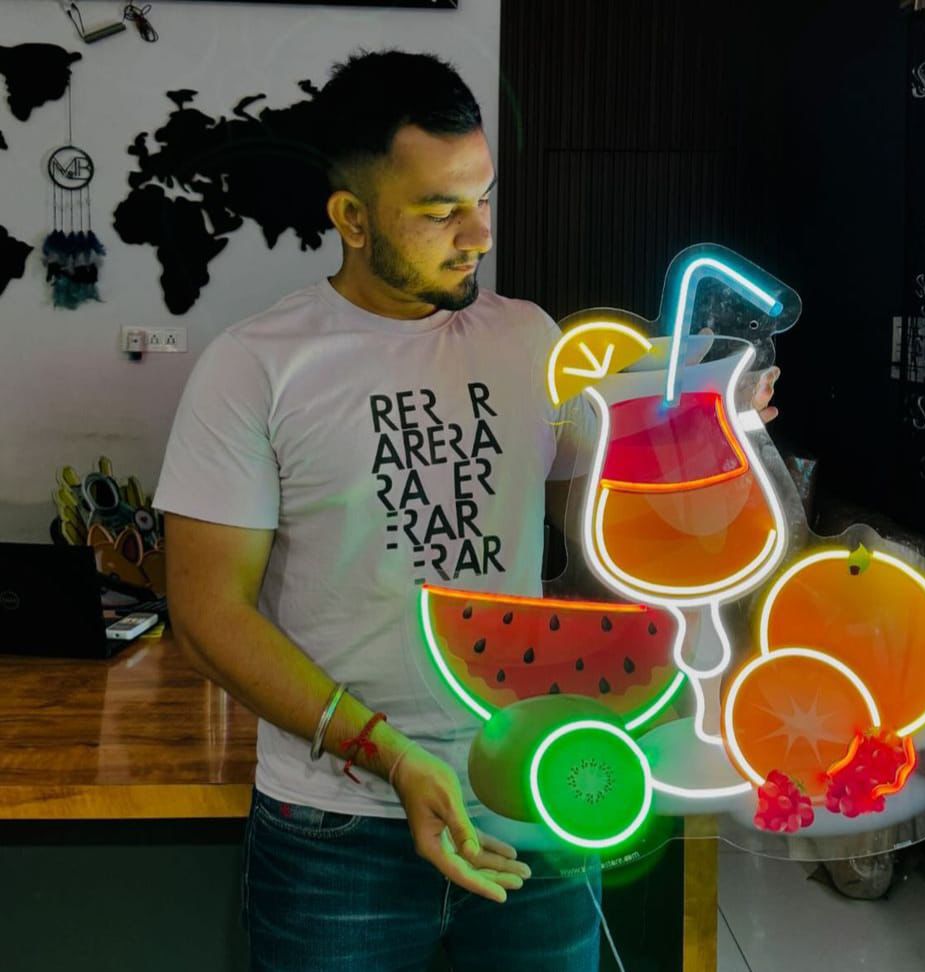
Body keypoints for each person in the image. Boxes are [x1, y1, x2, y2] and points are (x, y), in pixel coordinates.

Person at [154, 49, 779, 972]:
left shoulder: (531, 340)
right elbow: (208, 615)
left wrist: (707, 429)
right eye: (440, 209)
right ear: (352, 218)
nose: (477, 233)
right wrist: (395, 760)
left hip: (539, 800)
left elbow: (614, 523)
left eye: (482, 197)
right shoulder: (253, 367)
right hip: (338, 830)